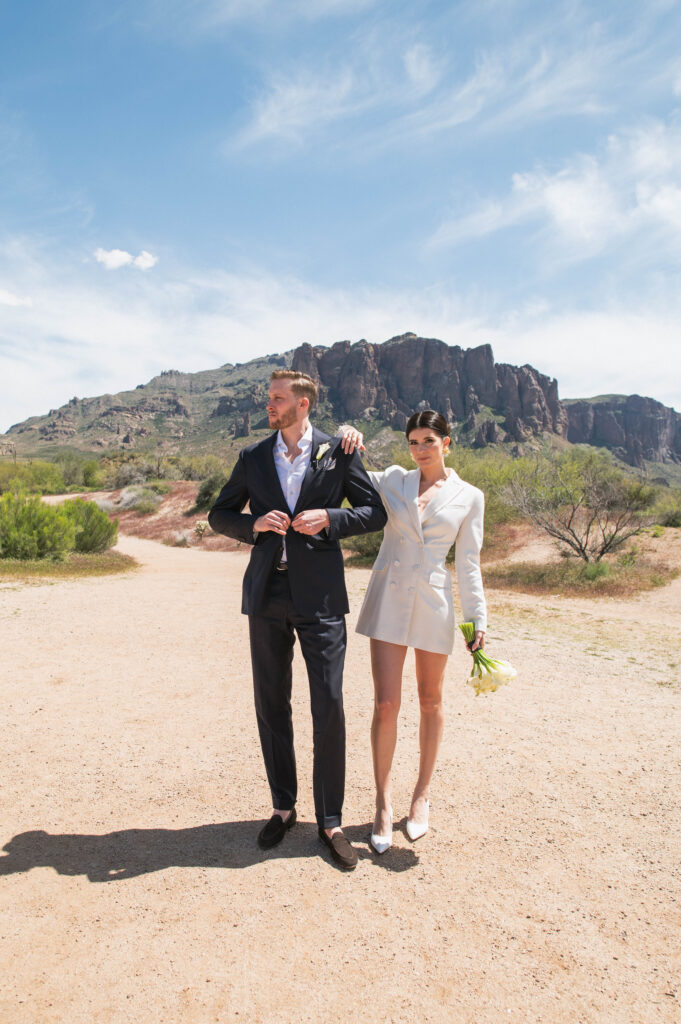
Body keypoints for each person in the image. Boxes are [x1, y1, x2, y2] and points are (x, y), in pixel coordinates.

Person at [208, 370, 386, 871]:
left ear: (302, 405)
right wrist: (253, 525)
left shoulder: (340, 451)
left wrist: (331, 518)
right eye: (270, 397)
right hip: (268, 593)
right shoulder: (252, 457)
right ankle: (283, 807)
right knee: (271, 702)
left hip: (322, 599)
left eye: (278, 398)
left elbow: (373, 512)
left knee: (328, 703)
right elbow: (219, 514)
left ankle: (330, 821)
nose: (270, 404)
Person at [339, 410, 486, 853]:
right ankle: (382, 800)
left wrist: (478, 618)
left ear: (447, 443)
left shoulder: (469, 495)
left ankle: (421, 795)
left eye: (429, 440)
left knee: (430, 699)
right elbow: (354, 465)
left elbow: (470, 563)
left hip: (434, 601)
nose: (420, 449)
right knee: (386, 703)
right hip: (389, 595)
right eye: (413, 442)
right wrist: (348, 433)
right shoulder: (394, 480)